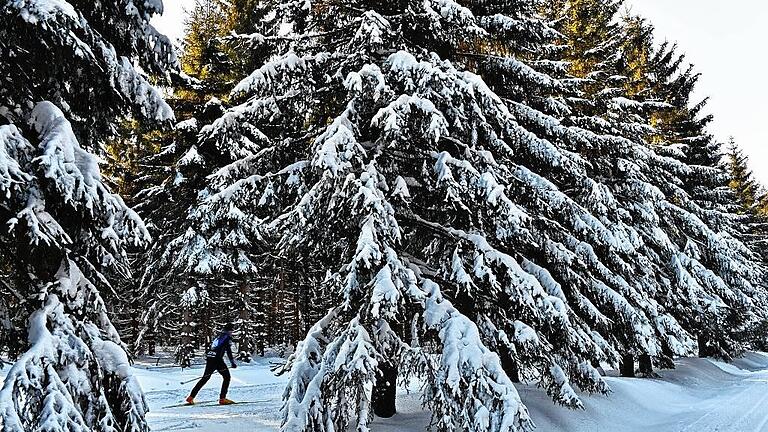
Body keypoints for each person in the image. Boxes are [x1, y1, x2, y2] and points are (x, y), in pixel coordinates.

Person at [186, 323, 238, 405]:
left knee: (205, 378)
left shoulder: (219, 336)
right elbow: (228, 351)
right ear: (230, 330)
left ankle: (191, 397)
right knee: (227, 377)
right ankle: (222, 398)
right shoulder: (227, 337)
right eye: (232, 330)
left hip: (210, 358)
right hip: (217, 359)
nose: (232, 332)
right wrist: (232, 363)